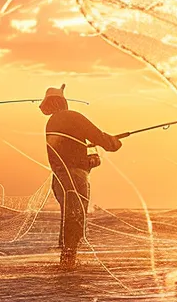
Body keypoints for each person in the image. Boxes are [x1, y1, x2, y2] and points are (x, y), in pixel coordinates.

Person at [41, 84, 124, 267]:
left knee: (70, 218)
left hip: (59, 181)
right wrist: (114, 143)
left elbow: (68, 152)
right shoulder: (72, 117)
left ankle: (67, 264)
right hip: (74, 179)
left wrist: (90, 160)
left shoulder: (52, 123)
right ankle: (68, 267)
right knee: (75, 219)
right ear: (63, 102)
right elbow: (101, 139)